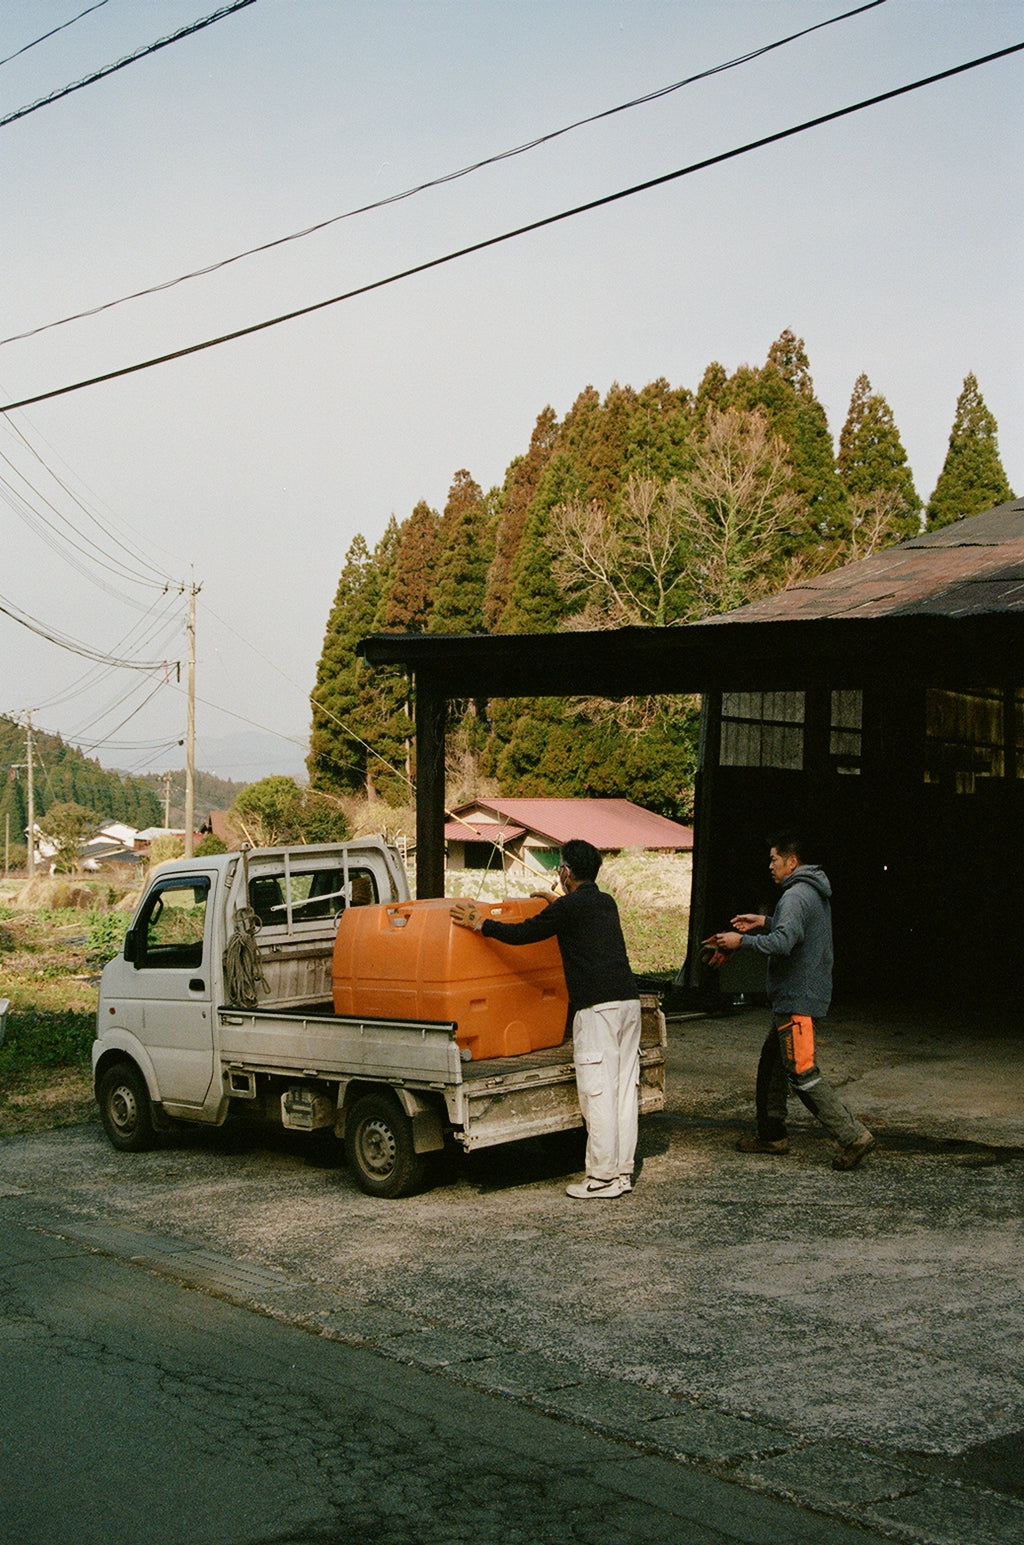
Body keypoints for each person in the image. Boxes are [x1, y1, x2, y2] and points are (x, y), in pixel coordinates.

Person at [450, 838, 642, 1199]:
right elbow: (578, 918)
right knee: (622, 1092)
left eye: (561, 869)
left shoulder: (569, 909)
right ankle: (621, 1174)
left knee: (597, 1093)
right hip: (628, 1006)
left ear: (566, 871)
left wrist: (481, 923)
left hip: (597, 1010)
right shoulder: (606, 903)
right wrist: (558, 903)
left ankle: (600, 1179)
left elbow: (524, 933)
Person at [709, 831, 875, 1172]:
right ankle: (771, 1135)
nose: (770, 866)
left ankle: (853, 1136)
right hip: (793, 996)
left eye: (774, 859)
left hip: (797, 997)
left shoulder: (796, 895)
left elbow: (785, 942)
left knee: (802, 1073)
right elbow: (794, 930)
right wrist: (763, 922)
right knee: (772, 1064)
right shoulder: (808, 891)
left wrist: (741, 941)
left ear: (792, 862)